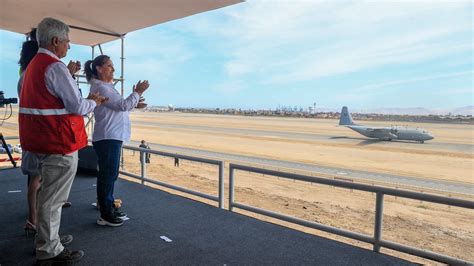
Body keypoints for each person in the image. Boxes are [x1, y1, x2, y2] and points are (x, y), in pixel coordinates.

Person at [18, 17, 106, 264]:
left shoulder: (35, 65)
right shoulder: (55, 67)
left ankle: (50, 237)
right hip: (58, 141)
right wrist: (94, 101)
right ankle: (48, 249)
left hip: (41, 140)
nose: (68, 47)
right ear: (56, 41)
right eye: (67, 42)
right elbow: (77, 106)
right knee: (52, 199)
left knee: (47, 195)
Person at [17, 29, 75, 237]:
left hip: (33, 135)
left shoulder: (27, 74)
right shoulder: (45, 69)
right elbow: (73, 104)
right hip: (48, 137)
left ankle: (39, 228)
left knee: (39, 182)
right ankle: (41, 232)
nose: (67, 46)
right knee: (41, 185)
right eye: (67, 42)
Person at [85, 55, 149, 227]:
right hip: (108, 136)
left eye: (113, 66)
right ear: (98, 68)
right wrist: (138, 93)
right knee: (108, 174)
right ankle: (106, 213)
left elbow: (118, 107)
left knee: (109, 174)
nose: (113, 69)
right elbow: (122, 106)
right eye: (109, 65)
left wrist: (135, 102)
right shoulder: (102, 88)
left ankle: (108, 205)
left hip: (110, 136)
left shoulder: (105, 87)